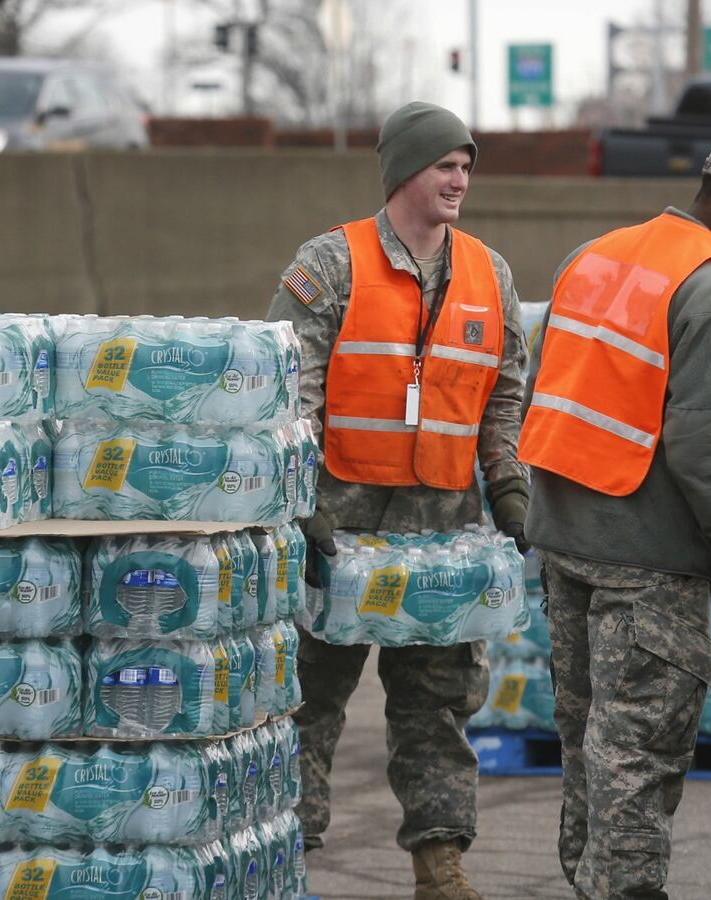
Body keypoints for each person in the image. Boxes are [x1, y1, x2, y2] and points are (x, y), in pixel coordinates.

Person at [517, 128, 711, 900]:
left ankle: (590, 887)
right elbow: (707, 456)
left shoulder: (596, 256)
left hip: (566, 547)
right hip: (646, 569)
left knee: (593, 754)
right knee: (637, 764)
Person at [266, 101, 530, 900]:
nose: (460, 179)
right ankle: (286, 856)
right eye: (445, 164)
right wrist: (303, 498)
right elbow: (288, 389)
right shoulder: (332, 263)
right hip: (338, 528)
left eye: (466, 165)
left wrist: (509, 486)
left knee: (438, 707)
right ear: (403, 173)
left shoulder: (490, 273)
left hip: (443, 532)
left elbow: (505, 393)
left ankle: (439, 865)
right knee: (306, 702)